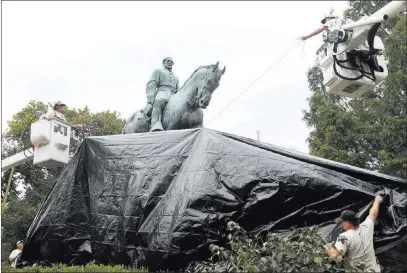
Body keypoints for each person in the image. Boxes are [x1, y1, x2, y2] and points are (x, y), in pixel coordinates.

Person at [326, 195, 384, 272]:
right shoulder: (367, 227)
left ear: (347, 222)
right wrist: (377, 201)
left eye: (342, 221)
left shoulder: (344, 237)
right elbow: (373, 214)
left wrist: (327, 247)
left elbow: (334, 256)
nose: (342, 224)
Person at [144, 57, 180, 132]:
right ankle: (155, 124)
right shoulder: (158, 71)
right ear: (163, 63)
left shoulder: (176, 77)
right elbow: (152, 84)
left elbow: (178, 89)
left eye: (171, 62)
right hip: (162, 92)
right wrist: (150, 100)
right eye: (168, 61)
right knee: (159, 102)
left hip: (173, 95)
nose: (170, 63)